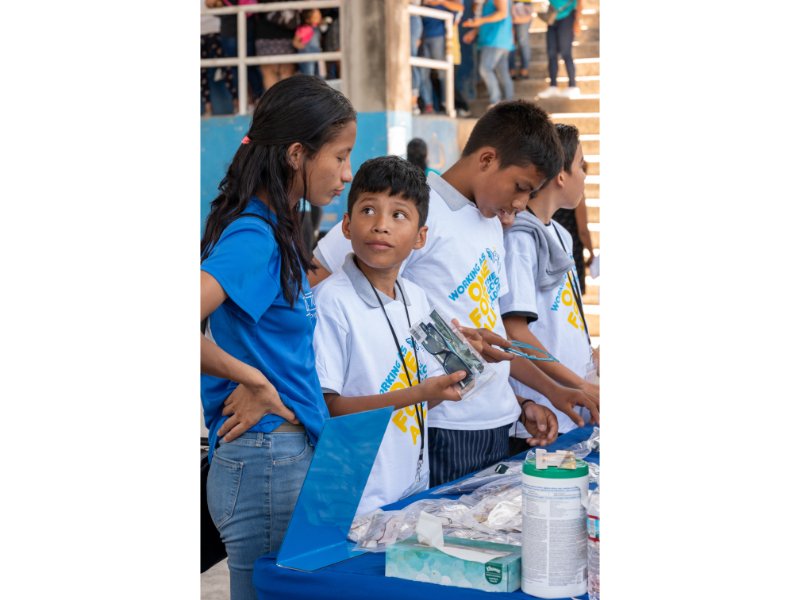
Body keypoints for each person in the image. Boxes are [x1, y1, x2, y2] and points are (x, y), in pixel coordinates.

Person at [310, 101, 599, 487]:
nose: (520, 204)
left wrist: (546, 394)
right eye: (520, 188)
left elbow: (495, 336)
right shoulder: (409, 205)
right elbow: (318, 276)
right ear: (487, 159)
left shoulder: (491, 223)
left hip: (497, 419)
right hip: (443, 423)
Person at [200, 75, 356, 600]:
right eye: (340, 156)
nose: (347, 173)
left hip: (282, 451)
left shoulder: (279, 228)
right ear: (296, 154)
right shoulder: (255, 236)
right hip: (266, 456)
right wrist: (254, 380)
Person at [313, 156, 469, 515]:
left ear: (420, 237)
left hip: (410, 488)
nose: (381, 225)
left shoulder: (416, 297)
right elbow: (329, 408)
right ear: (346, 225)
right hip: (360, 499)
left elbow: (424, 394)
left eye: (399, 215)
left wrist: (459, 372)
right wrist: (421, 392)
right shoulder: (331, 301)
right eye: (368, 210)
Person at [501, 123, 598, 453]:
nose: (584, 175)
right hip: (542, 415)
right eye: (581, 166)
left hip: (575, 407)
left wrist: (589, 358)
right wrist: (578, 384)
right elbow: (515, 333)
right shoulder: (519, 240)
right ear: (560, 176)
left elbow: (563, 319)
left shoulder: (560, 234)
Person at [462, 0, 514, 110]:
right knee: (502, 72)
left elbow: (502, 13)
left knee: (485, 68)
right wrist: (475, 31)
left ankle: (496, 101)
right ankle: (510, 104)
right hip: (496, 40)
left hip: (495, 40)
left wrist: (480, 21)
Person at [419, 0, 464, 114]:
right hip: (422, 36)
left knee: (442, 73)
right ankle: (428, 105)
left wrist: (441, 1)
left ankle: (446, 104)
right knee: (423, 73)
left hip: (438, 36)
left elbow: (459, 8)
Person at [537, 0, 582, 99]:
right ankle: (553, 86)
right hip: (552, 17)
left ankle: (573, 86)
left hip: (567, 16)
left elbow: (580, 2)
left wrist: (577, 21)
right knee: (551, 53)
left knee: (566, 53)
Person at [201, 0, 238, 116]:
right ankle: (208, 108)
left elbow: (215, 3)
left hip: (217, 29)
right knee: (201, 72)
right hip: (201, 31)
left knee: (227, 68)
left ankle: (237, 104)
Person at [553, 190, 594, 294]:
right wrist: (591, 253)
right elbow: (583, 231)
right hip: (572, 251)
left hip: (552, 249)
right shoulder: (576, 193)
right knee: (574, 295)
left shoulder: (548, 189)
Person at [254, 1, 299, 91]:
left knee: (270, 73)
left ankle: (274, 100)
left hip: (265, 34)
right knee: (286, 73)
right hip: (286, 35)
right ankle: (286, 100)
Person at [293, 8, 323, 77]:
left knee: (319, 75)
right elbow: (295, 42)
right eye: (316, 17)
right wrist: (304, 48)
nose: (319, 18)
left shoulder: (318, 28)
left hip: (317, 54)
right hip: (307, 54)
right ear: (307, 19)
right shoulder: (305, 29)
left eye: (319, 16)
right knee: (309, 74)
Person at [509, 0, 534, 80]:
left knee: (523, 42)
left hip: (523, 5)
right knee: (510, 42)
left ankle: (524, 70)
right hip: (507, 4)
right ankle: (511, 70)